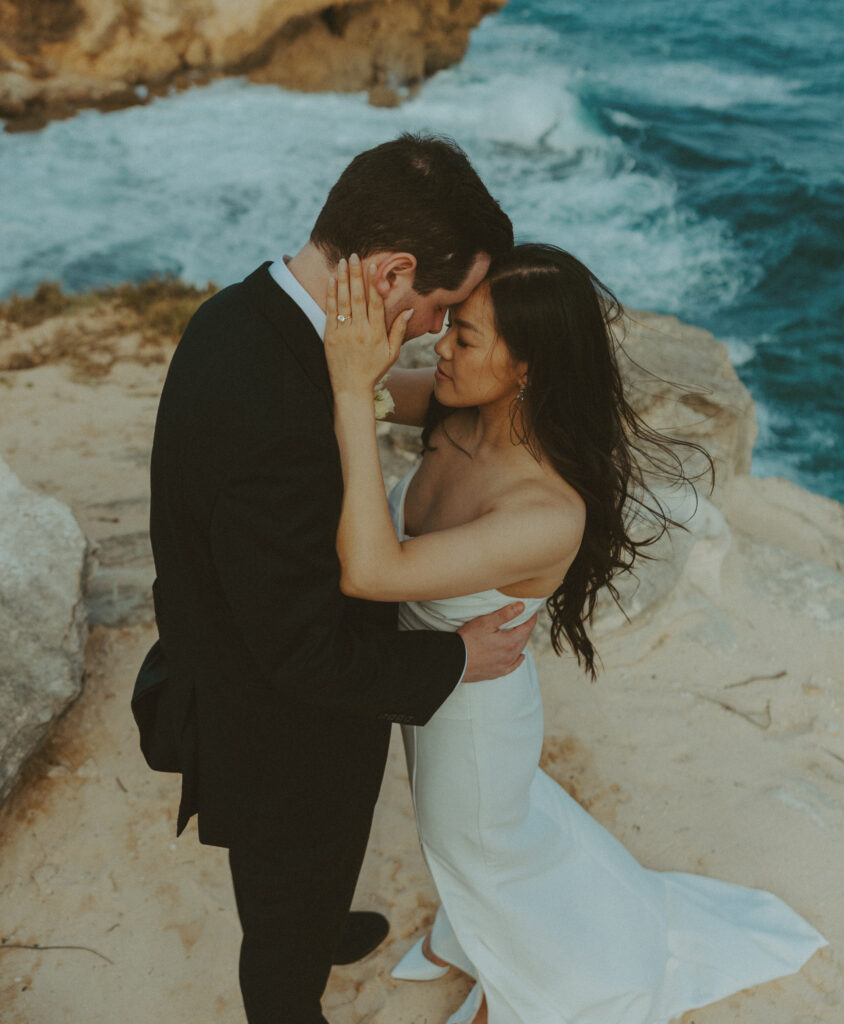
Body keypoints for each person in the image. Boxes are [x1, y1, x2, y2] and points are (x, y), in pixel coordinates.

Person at [322, 244, 827, 1024]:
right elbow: (372, 386)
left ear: (528, 367)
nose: (440, 348)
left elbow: (373, 570)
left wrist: (356, 395)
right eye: (447, 328)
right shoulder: (461, 406)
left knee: (478, 852)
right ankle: (483, 932)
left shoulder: (544, 509)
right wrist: (369, 349)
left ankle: (531, 985)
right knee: (478, 848)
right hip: (430, 682)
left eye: (464, 338)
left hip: (474, 723)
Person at [138, 133, 539, 1024]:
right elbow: (300, 656)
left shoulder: (241, 314)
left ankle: (317, 923)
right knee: (284, 922)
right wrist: (454, 660)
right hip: (277, 729)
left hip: (252, 657)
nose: (438, 330)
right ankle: (294, 971)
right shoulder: (274, 417)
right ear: (392, 274)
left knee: (315, 874)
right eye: (440, 305)